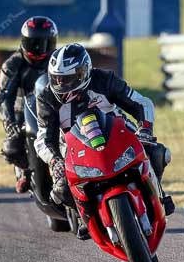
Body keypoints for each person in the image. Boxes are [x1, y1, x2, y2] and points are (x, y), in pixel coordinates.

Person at [35, 43, 174, 238]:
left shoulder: (104, 80)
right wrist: (54, 160)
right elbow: (43, 138)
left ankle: (158, 195)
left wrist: (145, 130)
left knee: (157, 153)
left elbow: (142, 103)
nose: (61, 84)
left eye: (67, 78)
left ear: (83, 73)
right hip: (72, 144)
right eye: (56, 78)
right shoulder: (46, 98)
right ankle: (83, 216)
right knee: (61, 188)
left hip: (117, 129)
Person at [0, 16, 58, 193]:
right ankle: (25, 171)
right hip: (23, 113)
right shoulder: (13, 64)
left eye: (43, 44)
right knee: (11, 147)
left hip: (53, 109)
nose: (38, 48)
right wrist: (10, 125)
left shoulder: (57, 61)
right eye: (33, 43)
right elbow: (3, 99)